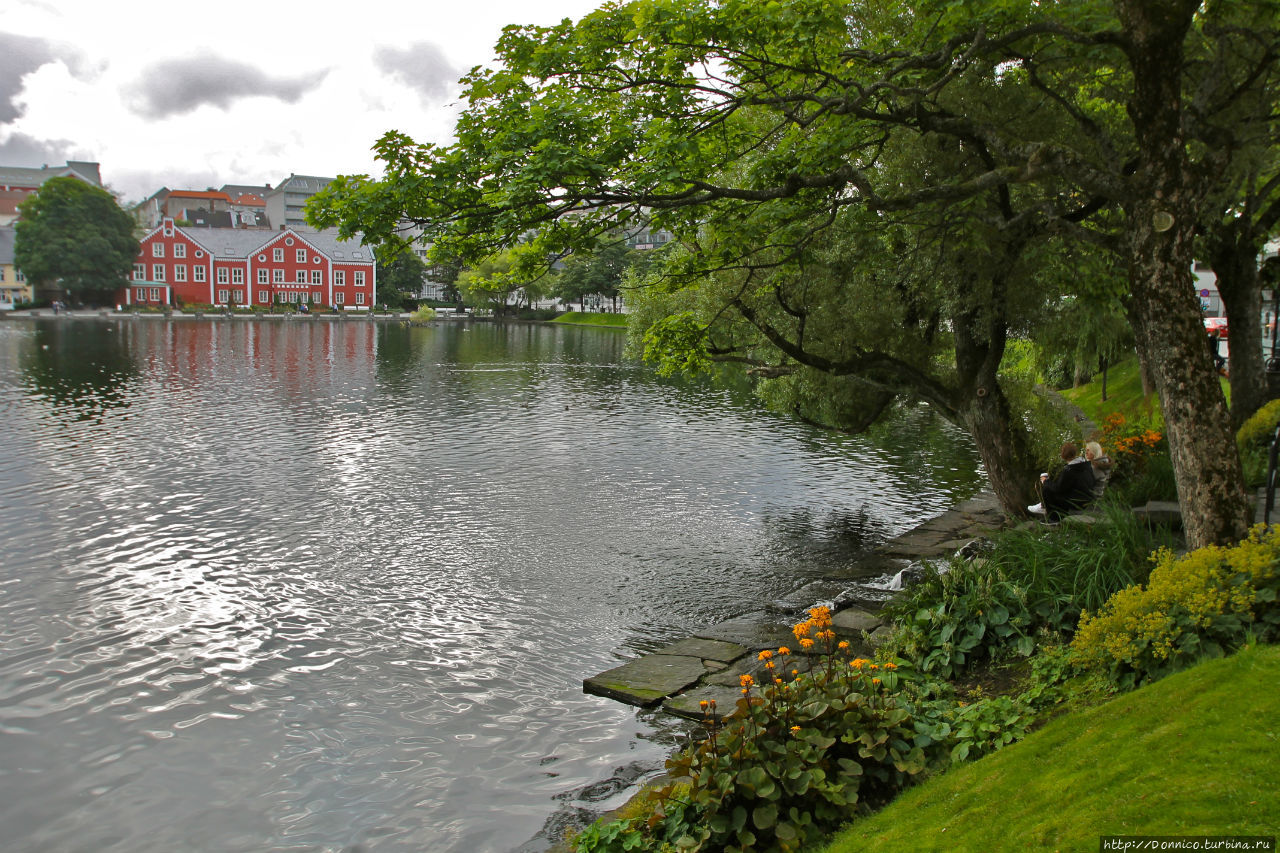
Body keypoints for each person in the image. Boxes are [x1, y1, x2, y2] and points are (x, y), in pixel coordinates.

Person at [1027, 441, 1096, 521]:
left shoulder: (1070, 470)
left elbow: (1058, 488)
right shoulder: (1086, 465)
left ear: (1063, 456)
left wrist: (1045, 481)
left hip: (1076, 502)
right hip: (1087, 499)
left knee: (1047, 490)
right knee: (1056, 488)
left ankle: (1053, 518)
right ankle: (1043, 506)